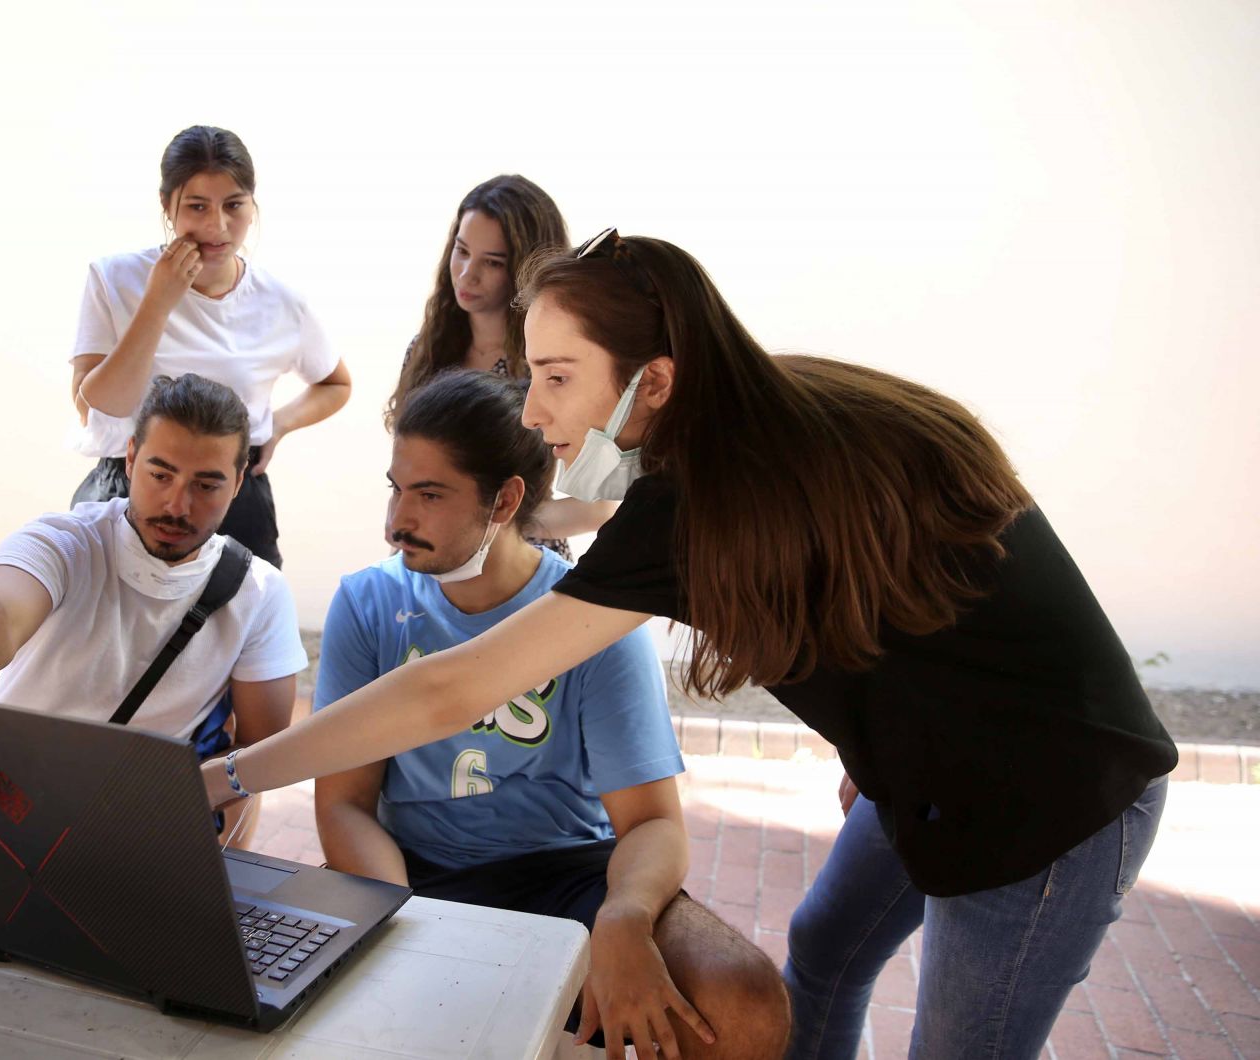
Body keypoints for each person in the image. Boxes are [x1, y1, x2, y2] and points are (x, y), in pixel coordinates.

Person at [202, 229, 1179, 1058]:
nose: (533, 409)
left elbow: (443, 694)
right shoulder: (786, 415)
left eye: (554, 376)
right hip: (926, 762)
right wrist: (873, 741)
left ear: (653, 380)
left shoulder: (694, 498)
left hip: (1045, 795)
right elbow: (908, 581)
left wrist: (232, 774)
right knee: (825, 949)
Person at [313, 370, 789, 1059]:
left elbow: (653, 821)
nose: (396, 522)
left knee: (740, 1003)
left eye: (429, 494)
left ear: (505, 500)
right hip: (413, 873)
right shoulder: (365, 604)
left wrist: (623, 918)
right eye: (396, 488)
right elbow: (344, 805)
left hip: (567, 875)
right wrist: (403, 921)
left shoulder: (591, 617)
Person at [0, 374, 307, 847]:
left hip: (140, 829)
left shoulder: (258, 591)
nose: (178, 505)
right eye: (161, 474)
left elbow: (253, 756)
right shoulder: (64, 543)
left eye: (206, 485)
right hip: (7, 807)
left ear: (239, 482)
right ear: (131, 457)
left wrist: (227, 876)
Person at [68, 124, 351, 568]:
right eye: (197, 206)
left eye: (233, 206)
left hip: (233, 495)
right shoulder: (114, 278)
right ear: (168, 206)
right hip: (127, 487)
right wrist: (158, 301)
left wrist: (276, 425)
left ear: (253, 207)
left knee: (241, 629)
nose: (217, 226)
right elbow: (95, 405)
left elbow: (335, 383)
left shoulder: (280, 301)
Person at [386, 175, 615, 558]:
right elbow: (408, 474)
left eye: (491, 262)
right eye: (461, 252)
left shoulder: (556, 365)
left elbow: (598, 508)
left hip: (524, 564)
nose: (466, 274)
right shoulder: (426, 349)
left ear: (526, 269)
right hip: (433, 556)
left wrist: (481, 523)